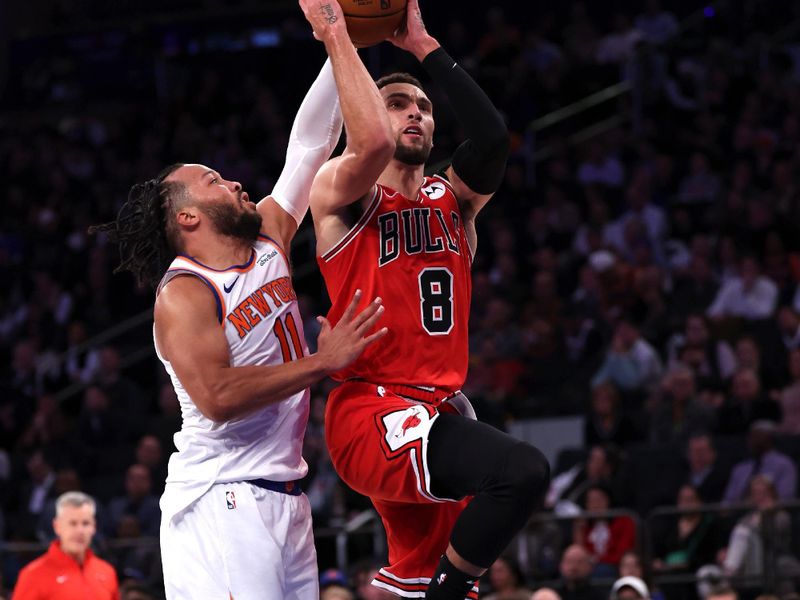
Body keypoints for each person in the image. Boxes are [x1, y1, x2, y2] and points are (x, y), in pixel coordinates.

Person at [89, 1, 389, 597]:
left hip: (283, 495)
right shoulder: (184, 292)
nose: (234, 181)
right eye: (214, 180)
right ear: (190, 216)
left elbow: (308, 147)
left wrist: (341, 39)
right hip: (220, 502)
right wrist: (322, 363)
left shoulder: (270, 238)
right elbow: (219, 397)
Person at [307, 0, 550, 597]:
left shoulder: (455, 200)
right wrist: (341, 36)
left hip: (435, 410)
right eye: (398, 104)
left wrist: (424, 49)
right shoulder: (343, 195)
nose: (415, 113)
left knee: (420, 577)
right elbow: (367, 149)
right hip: (371, 411)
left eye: (424, 108)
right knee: (521, 472)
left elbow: (492, 137)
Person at [12, 491, 119, 600]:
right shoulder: (33, 575)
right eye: (72, 523)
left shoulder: (107, 572)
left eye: (85, 523)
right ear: (57, 526)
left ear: (94, 527)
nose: (80, 531)